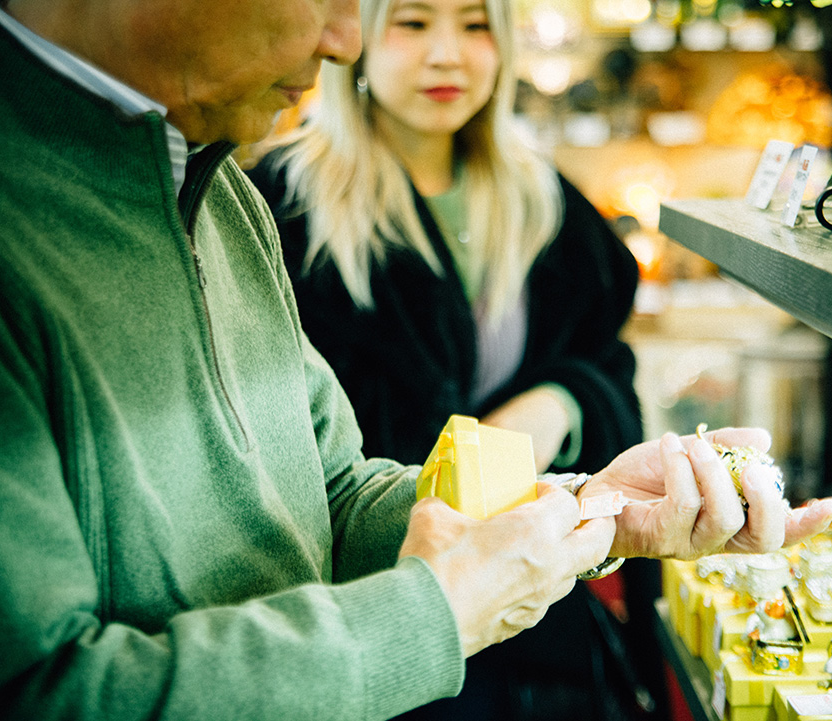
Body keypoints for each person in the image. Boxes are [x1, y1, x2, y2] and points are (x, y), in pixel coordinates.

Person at [0, 0, 832, 719]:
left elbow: (331, 495)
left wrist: (589, 506)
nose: (348, 38)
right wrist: (438, 614)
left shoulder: (217, 189)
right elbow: (29, 691)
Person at [244, 0, 654, 716]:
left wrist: (555, 404)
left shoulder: (538, 195)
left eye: (473, 26)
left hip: (535, 598)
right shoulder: (282, 203)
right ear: (359, 37)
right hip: (373, 607)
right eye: (412, 23)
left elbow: (601, 351)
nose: (447, 54)